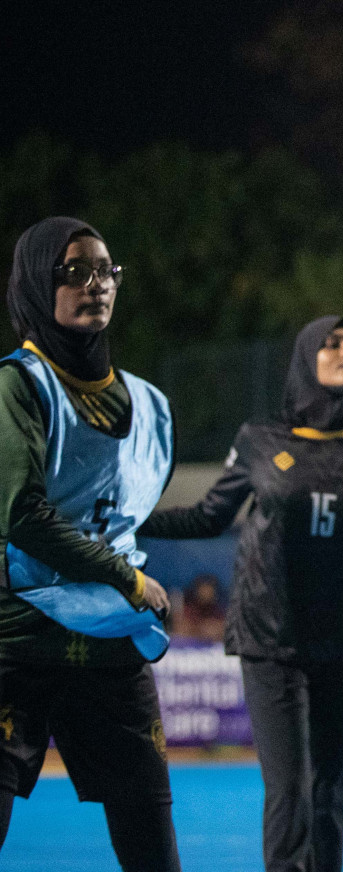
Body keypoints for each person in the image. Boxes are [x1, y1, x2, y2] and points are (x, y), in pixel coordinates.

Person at [139, 314, 343, 872]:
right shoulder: (259, 440)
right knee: (290, 792)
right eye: (334, 344)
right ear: (304, 359)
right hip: (269, 638)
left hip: (342, 644)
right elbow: (206, 517)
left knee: (328, 798)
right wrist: (130, 523)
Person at [0, 217, 181, 871]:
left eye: (106, 270)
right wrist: (128, 578)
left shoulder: (152, 405)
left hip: (109, 641)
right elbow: (23, 514)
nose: (96, 284)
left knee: (151, 845)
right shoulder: (19, 385)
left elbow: (131, 520)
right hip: (18, 635)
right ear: (34, 284)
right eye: (74, 271)